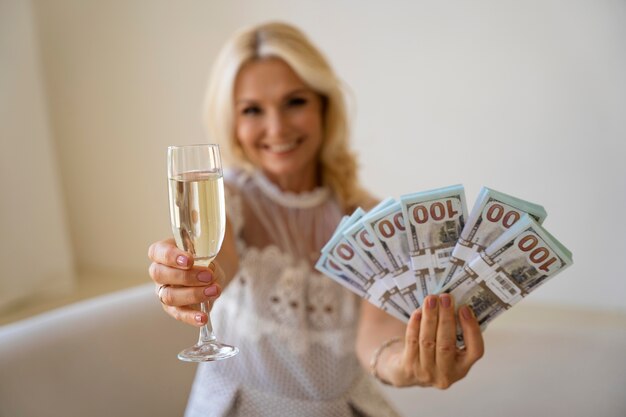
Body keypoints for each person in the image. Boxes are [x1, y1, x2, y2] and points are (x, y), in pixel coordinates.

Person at [148, 21, 484, 417]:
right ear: (233, 124)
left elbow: (376, 334)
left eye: (295, 102)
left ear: (324, 106)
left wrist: (407, 365)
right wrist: (193, 277)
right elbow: (219, 259)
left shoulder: (370, 217)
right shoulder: (228, 198)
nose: (277, 127)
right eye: (252, 110)